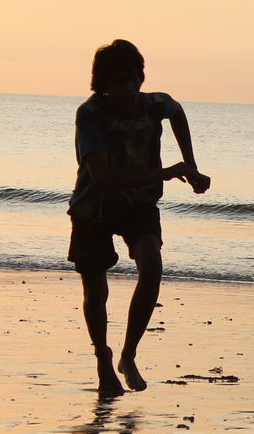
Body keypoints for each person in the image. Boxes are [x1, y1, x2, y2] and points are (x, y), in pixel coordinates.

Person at [67, 39, 210, 397]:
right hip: (93, 207)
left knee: (152, 265)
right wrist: (164, 173)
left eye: (135, 79)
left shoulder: (153, 104)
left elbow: (177, 112)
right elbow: (102, 177)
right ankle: (103, 358)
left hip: (138, 205)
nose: (130, 88)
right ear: (104, 84)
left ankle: (128, 354)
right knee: (95, 290)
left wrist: (190, 165)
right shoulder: (91, 115)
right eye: (121, 82)